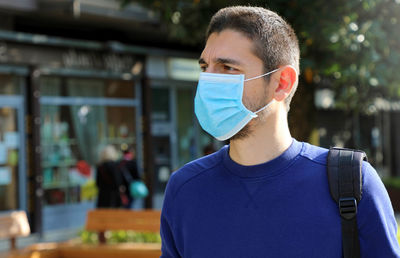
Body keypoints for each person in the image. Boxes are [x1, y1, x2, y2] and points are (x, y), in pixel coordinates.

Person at [160, 6, 400, 258]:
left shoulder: (353, 183)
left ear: (282, 83)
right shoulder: (185, 189)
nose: (208, 81)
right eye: (204, 68)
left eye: (228, 68)